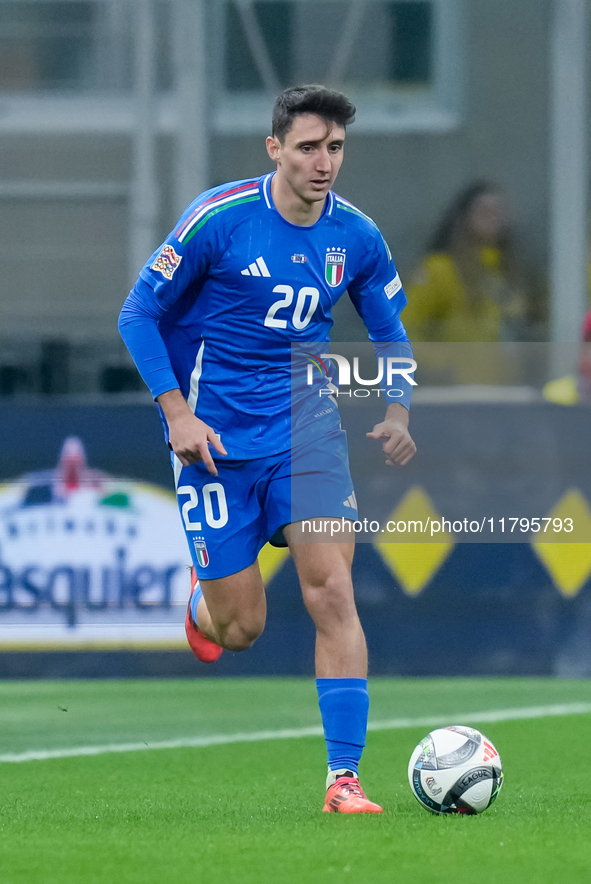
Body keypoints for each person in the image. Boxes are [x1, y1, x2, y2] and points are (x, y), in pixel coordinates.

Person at [119, 85, 416, 814]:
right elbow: (138, 314)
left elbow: (391, 334)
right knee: (241, 628)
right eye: (309, 147)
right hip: (213, 440)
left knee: (332, 591)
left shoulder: (357, 236)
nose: (324, 162)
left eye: (335, 148)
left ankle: (342, 778)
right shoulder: (218, 220)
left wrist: (398, 408)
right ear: (274, 148)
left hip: (306, 431)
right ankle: (201, 608)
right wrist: (177, 414)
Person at [403, 182, 533, 344]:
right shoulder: (439, 269)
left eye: (499, 213)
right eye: (485, 212)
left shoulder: (507, 269)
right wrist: (438, 365)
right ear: (464, 217)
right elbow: (406, 326)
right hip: (455, 367)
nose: (494, 219)